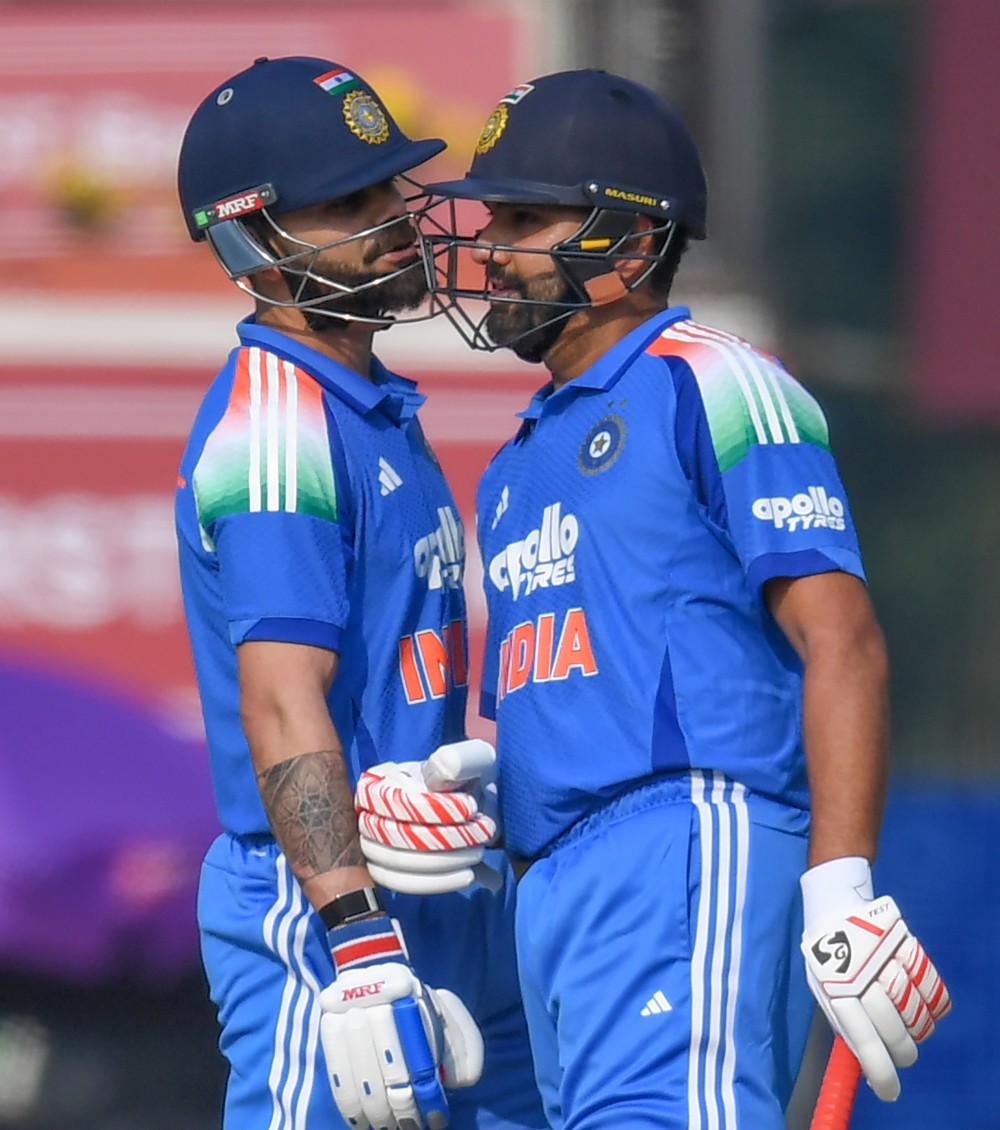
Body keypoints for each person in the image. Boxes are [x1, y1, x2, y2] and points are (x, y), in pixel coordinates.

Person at [354, 69, 952, 1128]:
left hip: (685, 845)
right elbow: (595, 677)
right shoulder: (516, 460)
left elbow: (842, 639)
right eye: (494, 218)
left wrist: (842, 886)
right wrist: (484, 799)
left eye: (525, 219)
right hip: (552, 885)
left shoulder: (711, 381)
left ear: (629, 244)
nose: (490, 247)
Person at [173, 56, 545, 1130]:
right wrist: (356, 933)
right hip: (326, 910)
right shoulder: (278, 427)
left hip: (441, 886)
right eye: (348, 202)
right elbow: (282, 697)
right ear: (254, 239)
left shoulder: (366, 402)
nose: (393, 219)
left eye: (389, 186)